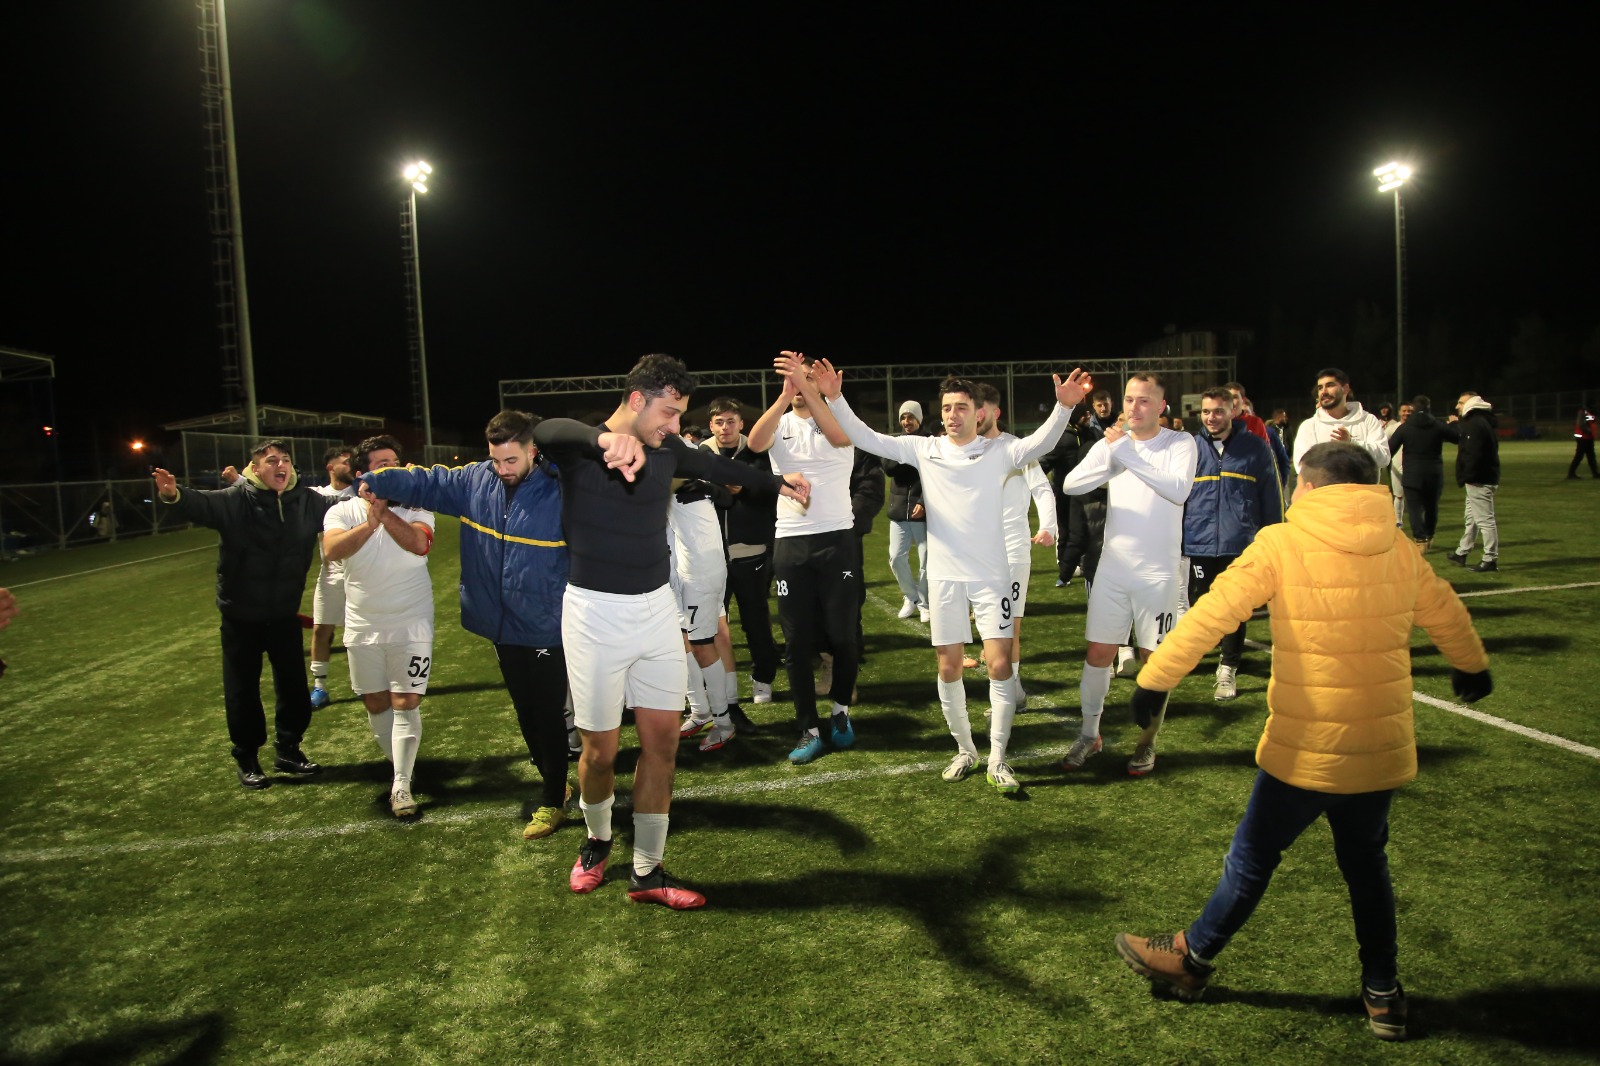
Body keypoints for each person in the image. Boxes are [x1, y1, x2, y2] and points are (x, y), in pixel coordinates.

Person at [1113, 442, 1492, 1042]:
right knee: (1367, 867)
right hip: (1379, 750)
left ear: (1307, 487)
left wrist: (1156, 678)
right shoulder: (1397, 545)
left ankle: (1192, 959)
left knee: (1251, 859)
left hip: (1305, 745)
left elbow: (1215, 611)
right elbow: (1443, 609)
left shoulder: (1281, 543)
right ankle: (1383, 993)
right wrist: (1470, 663)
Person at [533, 354, 808, 909]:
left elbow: (725, 470)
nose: (674, 426)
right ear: (637, 400)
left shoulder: (668, 450)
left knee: (661, 746)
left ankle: (647, 870)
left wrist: (778, 481)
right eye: (667, 412)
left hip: (657, 612)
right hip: (593, 614)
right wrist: (601, 439)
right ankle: (597, 839)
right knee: (601, 752)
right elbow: (541, 429)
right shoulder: (580, 448)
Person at [784, 354, 1092, 794]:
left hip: (990, 576)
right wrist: (834, 397)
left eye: (961, 407)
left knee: (999, 664)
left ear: (978, 412)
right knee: (948, 668)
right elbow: (867, 438)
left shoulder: (1000, 450)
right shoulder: (924, 449)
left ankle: (999, 757)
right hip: (944, 578)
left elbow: (1041, 445)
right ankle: (966, 749)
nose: (952, 415)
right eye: (947, 408)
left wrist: (1063, 408)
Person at [361, 410, 574, 839]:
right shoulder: (476, 480)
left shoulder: (562, 486)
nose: (502, 470)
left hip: (546, 620)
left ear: (533, 450)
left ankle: (552, 797)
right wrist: (379, 481)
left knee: (549, 713)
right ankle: (557, 783)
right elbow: (425, 481)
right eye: (496, 460)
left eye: (511, 461)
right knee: (526, 711)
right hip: (500, 623)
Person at [153, 441, 338, 789]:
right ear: (255, 469)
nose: (280, 465)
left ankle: (289, 749)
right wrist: (173, 494)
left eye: (285, 460)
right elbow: (202, 504)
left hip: (283, 614)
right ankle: (247, 755)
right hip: (241, 617)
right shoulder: (237, 499)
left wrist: (381, 487)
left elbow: (342, 503)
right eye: (272, 461)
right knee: (242, 691)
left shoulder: (308, 501)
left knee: (294, 689)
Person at [1058, 374, 1198, 775]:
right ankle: (1090, 734)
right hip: (1114, 569)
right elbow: (1071, 484)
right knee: (1098, 654)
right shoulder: (1115, 445)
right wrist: (1108, 453)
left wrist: (1125, 453)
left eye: (1143, 401)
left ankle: (1146, 742)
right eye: (1129, 399)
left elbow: (1177, 490)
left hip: (1158, 574)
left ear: (1161, 405)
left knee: (1153, 662)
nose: (1133, 407)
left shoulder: (1179, 443)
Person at [745, 353, 860, 766]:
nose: (799, 384)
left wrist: (809, 387)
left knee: (844, 636)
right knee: (795, 642)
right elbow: (754, 443)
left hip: (836, 540)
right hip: (792, 541)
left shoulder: (837, 418)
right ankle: (808, 727)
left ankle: (841, 713)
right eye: (796, 377)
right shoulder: (783, 422)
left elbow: (841, 439)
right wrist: (781, 398)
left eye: (807, 377)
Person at [323, 436, 434, 818]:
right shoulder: (341, 512)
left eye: (395, 463)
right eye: (381, 465)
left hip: (412, 621)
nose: (392, 471)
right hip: (362, 623)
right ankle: (402, 769)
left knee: (405, 701)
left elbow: (419, 544)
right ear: (362, 475)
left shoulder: (418, 506)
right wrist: (370, 520)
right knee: (375, 702)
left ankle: (401, 785)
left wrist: (384, 514)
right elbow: (331, 551)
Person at [1182, 388, 1283, 701]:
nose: (1212, 417)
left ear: (1233, 412)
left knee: (1234, 606)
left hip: (1239, 542)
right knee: (1201, 602)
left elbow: (1271, 496)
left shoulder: (1256, 447)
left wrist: (1272, 538)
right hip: (1197, 542)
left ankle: (1228, 668)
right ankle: (1211, 646)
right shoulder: (1189, 447)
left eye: (1219, 411)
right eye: (1207, 411)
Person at [976, 382, 1058, 712]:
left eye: (978, 409)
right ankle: (1007, 685)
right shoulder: (965, 450)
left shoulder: (1018, 450)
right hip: (975, 553)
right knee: (987, 626)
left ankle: (1013, 690)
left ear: (995, 413)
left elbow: (1042, 490)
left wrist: (1048, 526)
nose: (973, 415)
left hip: (1011, 550)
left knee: (1009, 625)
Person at [701, 398, 780, 718]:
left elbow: (770, 494)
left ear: (741, 423)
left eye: (731, 421)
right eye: (719, 422)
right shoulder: (700, 454)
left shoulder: (758, 451)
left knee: (756, 621)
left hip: (751, 553)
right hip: (711, 556)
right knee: (710, 627)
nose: (725, 428)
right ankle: (714, 685)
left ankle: (763, 678)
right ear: (711, 425)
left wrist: (743, 489)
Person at [309, 445, 357, 709]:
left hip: (362, 574)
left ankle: (367, 682)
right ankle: (320, 687)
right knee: (321, 629)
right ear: (331, 467)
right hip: (330, 574)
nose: (350, 465)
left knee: (361, 632)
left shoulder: (361, 491)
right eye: (345, 462)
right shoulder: (317, 496)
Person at [1292, 368, 1390, 479]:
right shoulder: (1308, 426)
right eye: (1320, 388)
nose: (1323, 392)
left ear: (1345, 389)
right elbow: (1302, 467)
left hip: (1362, 494)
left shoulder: (1368, 420)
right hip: (1325, 495)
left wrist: (1352, 443)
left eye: (1330, 385)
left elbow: (1384, 458)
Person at [1443, 392, 1501, 573]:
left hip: (1479, 479)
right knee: (1472, 519)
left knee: (1484, 520)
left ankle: (1490, 558)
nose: (1457, 407)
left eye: (1460, 403)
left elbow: (1472, 453)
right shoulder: (1480, 421)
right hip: (1482, 477)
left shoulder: (1475, 424)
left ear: (1471, 403)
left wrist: (1465, 475)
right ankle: (1462, 552)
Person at [884, 400, 930, 623]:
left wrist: (924, 500)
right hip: (899, 511)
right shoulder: (897, 442)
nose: (906, 421)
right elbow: (889, 468)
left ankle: (924, 602)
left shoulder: (931, 443)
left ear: (919, 419)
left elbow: (933, 473)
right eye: (903, 417)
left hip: (924, 513)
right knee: (895, 557)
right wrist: (906, 451)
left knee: (927, 560)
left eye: (910, 417)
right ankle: (910, 597)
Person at [1386, 397, 1449, 551]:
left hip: (1412, 474)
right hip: (1434, 473)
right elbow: (1456, 437)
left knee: (1414, 508)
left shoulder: (1405, 428)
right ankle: (1430, 535)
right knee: (1431, 507)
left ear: (1413, 409)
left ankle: (1420, 539)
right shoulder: (1437, 426)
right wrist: (1454, 423)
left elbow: (1389, 449)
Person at [1382, 402, 1413, 528]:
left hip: (1413, 467)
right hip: (1396, 466)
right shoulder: (1392, 428)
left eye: (1409, 411)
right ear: (1400, 412)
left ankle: (1419, 523)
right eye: (1404, 411)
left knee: (1415, 497)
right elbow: (1383, 445)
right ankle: (1398, 521)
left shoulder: (1416, 428)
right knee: (1398, 495)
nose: (1406, 413)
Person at [1568, 401, 1598, 479]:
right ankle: (1571, 473)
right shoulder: (1582, 412)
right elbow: (1581, 424)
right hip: (1583, 438)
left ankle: (1595, 473)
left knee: (1591, 456)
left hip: (1588, 438)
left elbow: (1592, 421)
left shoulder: (1588, 413)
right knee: (1579, 456)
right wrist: (1589, 431)